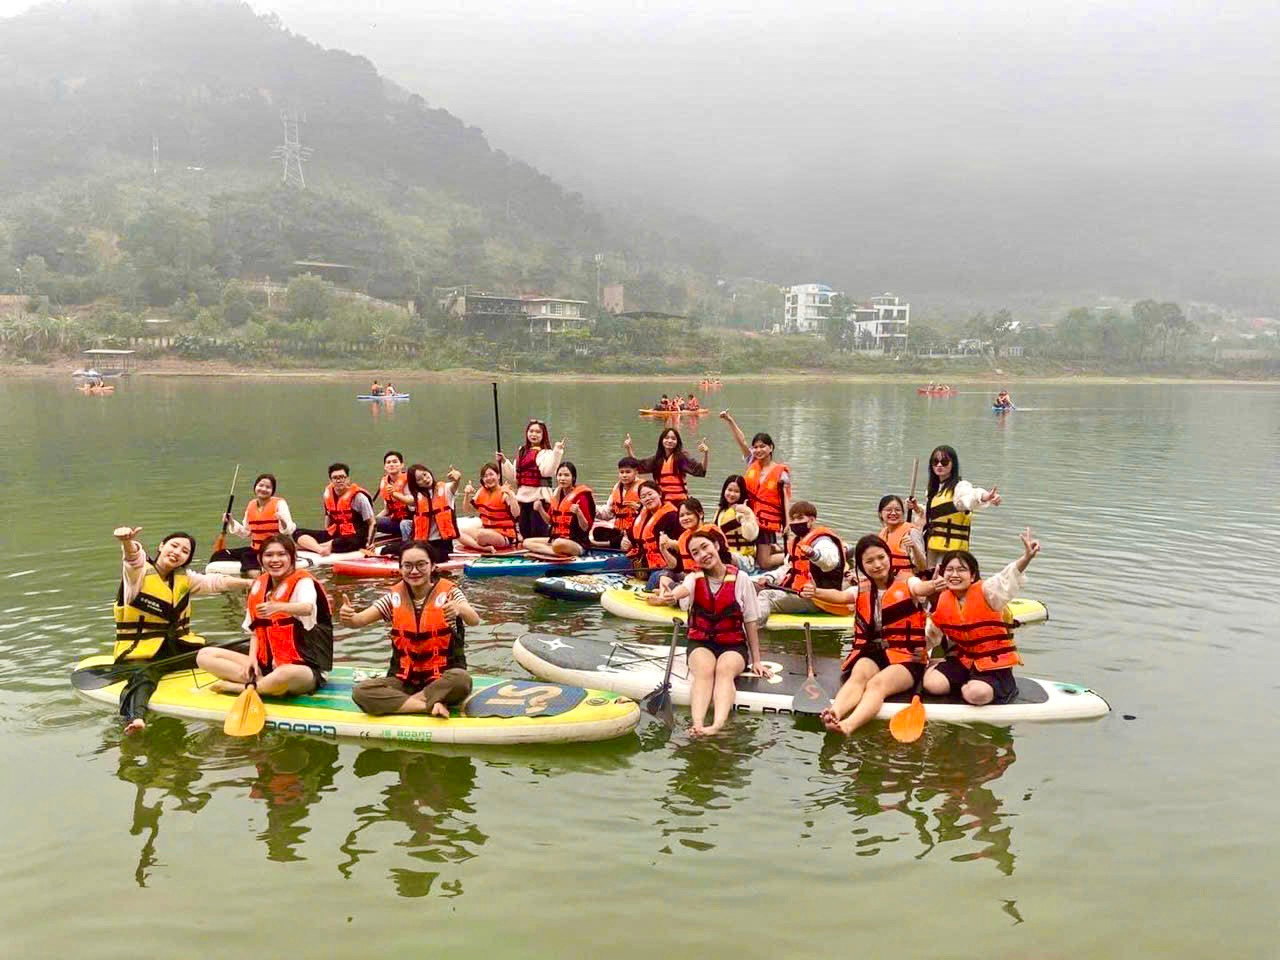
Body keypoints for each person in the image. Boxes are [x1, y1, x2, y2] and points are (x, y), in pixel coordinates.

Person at [111, 526, 252, 734]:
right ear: (161, 546)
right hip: (141, 654)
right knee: (143, 677)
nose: (177, 552)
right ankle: (136, 718)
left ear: (187, 559)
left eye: (185, 551)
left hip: (178, 648)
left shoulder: (184, 578)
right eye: (174, 546)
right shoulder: (137, 575)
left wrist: (252, 583)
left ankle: (270, 674)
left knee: (237, 648)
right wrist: (127, 542)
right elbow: (133, 558)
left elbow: (216, 582)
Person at [647, 528, 771, 736]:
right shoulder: (693, 578)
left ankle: (717, 725)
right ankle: (697, 724)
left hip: (733, 645)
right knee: (704, 671)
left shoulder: (741, 579)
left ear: (716, 546)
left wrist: (757, 660)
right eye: (695, 552)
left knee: (724, 670)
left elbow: (750, 622)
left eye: (705, 547)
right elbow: (682, 590)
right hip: (701, 642)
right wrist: (671, 596)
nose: (702, 554)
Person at [342, 542, 481, 718]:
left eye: (421, 564)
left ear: (433, 566)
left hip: (443, 679)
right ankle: (428, 705)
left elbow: (474, 620)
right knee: (361, 692)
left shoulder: (450, 594)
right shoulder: (392, 598)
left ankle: (407, 703)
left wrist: (459, 609)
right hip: (404, 681)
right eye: (407, 566)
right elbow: (358, 621)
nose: (414, 571)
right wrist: (348, 616)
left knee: (461, 679)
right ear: (400, 569)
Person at [819, 535, 940, 736]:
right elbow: (840, 597)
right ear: (862, 566)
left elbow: (922, 588)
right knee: (858, 676)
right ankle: (835, 713)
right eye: (869, 561)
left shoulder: (909, 582)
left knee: (876, 684)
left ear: (889, 557)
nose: (877, 565)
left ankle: (848, 726)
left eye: (881, 558)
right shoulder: (862, 589)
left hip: (908, 657)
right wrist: (814, 592)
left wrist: (934, 585)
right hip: (875, 653)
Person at [197, 534, 334, 698]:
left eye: (281, 554)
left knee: (284, 674)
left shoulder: (303, 582)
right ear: (260, 559)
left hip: (303, 668)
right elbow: (255, 631)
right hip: (265, 666)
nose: (275, 559)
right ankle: (264, 684)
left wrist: (279, 607)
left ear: (292, 557)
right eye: (269, 555)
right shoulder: (259, 586)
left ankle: (240, 688)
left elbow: (307, 608)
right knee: (204, 655)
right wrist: (251, 660)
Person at [922, 529, 1040, 706]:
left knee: (976, 695)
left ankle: (983, 686)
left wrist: (1026, 558)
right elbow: (930, 635)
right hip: (963, 661)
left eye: (961, 570)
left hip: (993, 664)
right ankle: (944, 669)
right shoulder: (944, 601)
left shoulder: (987, 591)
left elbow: (1006, 578)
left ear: (972, 576)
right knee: (932, 685)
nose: (954, 575)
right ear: (943, 574)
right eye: (949, 570)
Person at [905, 445, 1001, 568]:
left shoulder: (960, 487)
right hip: (932, 546)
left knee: (943, 575)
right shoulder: (932, 490)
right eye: (935, 462)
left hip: (952, 551)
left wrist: (986, 496)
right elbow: (932, 515)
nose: (939, 465)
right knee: (929, 574)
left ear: (953, 464)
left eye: (944, 462)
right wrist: (916, 508)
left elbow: (972, 496)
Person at [719, 410, 790, 570]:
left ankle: (790, 554)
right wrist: (730, 421)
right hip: (749, 516)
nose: (758, 450)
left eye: (762, 446)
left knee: (763, 562)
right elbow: (742, 441)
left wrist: (788, 523)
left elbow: (785, 498)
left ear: (771, 448)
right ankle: (774, 548)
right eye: (756, 447)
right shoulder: (752, 462)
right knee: (750, 552)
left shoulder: (781, 472)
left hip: (766, 520)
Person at [755, 501, 845, 627]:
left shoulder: (823, 541)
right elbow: (787, 568)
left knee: (766, 596)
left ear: (811, 520)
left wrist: (814, 555)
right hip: (798, 592)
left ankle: (753, 631)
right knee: (754, 587)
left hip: (819, 599)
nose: (795, 522)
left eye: (800, 518)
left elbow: (830, 563)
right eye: (793, 519)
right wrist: (769, 578)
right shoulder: (797, 542)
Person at [210, 473, 296, 572]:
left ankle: (255, 578)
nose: (263, 489)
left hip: (273, 550)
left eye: (268, 487)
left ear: (272, 491)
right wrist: (231, 521)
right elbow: (246, 532)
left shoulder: (280, 504)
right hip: (255, 549)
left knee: (246, 556)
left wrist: (282, 520)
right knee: (218, 555)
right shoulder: (251, 505)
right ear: (255, 487)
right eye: (261, 485)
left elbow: (288, 531)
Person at [497, 420, 564, 540]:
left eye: (538, 432)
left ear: (543, 435)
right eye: (531, 431)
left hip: (539, 498)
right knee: (524, 530)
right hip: (523, 498)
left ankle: (545, 547)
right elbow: (514, 476)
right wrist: (504, 461)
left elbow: (548, 471)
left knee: (538, 532)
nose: (534, 434)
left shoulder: (546, 453)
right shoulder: (522, 451)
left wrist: (557, 452)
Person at [294, 463, 376, 557]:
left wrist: (370, 543)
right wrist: (326, 534)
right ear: (330, 480)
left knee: (344, 541)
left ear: (348, 479)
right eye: (335, 478)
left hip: (354, 536)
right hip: (336, 533)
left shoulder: (359, 497)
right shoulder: (328, 495)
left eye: (342, 477)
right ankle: (320, 549)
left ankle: (310, 546)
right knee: (297, 532)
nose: (339, 480)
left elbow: (372, 523)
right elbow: (328, 516)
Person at [526, 463, 595, 558]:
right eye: (560, 475)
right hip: (557, 540)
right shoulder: (557, 496)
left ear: (573, 478)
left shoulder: (581, 497)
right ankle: (555, 553)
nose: (562, 478)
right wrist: (540, 509)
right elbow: (550, 521)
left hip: (576, 543)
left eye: (566, 475)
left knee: (558, 543)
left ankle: (547, 551)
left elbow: (585, 527)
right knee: (527, 542)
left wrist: (579, 513)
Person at [623, 427, 709, 504]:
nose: (670, 441)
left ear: (677, 442)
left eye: (673, 439)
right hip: (662, 502)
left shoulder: (681, 459)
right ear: (662, 441)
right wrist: (629, 448)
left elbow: (700, 470)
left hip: (680, 502)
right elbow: (638, 466)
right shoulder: (656, 460)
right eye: (666, 438)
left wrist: (705, 453)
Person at [621, 480, 681, 585]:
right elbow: (631, 536)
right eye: (643, 497)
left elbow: (680, 546)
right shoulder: (643, 514)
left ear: (659, 494)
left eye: (650, 494)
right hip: (642, 559)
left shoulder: (672, 517)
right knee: (610, 563)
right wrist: (625, 540)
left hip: (663, 564)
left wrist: (669, 544)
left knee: (652, 583)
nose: (647, 498)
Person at [401, 464, 462, 564]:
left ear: (429, 471)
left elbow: (454, 485)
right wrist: (393, 493)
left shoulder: (446, 489)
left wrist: (457, 478)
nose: (425, 479)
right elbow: (406, 500)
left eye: (425, 474)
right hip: (424, 543)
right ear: (416, 484)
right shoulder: (417, 497)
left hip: (443, 543)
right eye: (419, 479)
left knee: (430, 558)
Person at [656, 497, 714, 591]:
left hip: (707, 580)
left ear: (700, 514)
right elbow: (675, 567)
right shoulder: (683, 538)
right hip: (689, 580)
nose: (685, 518)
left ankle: (668, 594)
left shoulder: (711, 532)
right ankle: (666, 593)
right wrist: (663, 549)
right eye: (682, 515)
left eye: (689, 514)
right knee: (665, 574)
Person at [459, 463, 520, 552]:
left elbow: (516, 514)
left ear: (498, 476)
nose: (489, 478)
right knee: (457, 532)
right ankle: (482, 548)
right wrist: (467, 494)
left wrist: (511, 495)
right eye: (485, 476)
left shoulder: (505, 493)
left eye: (491, 474)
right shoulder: (481, 491)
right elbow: (467, 509)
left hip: (504, 535)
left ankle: (475, 543)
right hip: (487, 530)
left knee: (481, 534)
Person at [593, 456, 643, 549]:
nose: (624, 475)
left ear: (636, 472)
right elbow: (607, 514)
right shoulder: (617, 487)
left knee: (625, 540)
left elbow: (651, 512)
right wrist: (592, 506)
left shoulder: (643, 487)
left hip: (635, 531)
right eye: (621, 472)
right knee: (598, 532)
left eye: (628, 472)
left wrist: (640, 509)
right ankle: (616, 543)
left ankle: (610, 544)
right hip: (619, 531)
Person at [877, 494, 927, 580]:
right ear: (880, 514)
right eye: (888, 510)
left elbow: (922, 567)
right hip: (887, 580)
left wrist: (914, 547)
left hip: (909, 582)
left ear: (903, 513)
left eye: (897, 510)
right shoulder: (882, 535)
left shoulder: (911, 533)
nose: (893, 513)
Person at [715, 475, 760, 568]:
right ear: (724, 490)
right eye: (729, 490)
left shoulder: (745, 511)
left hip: (745, 559)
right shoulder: (720, 511)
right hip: (726, 554)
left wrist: (744, 515)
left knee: (725, 557)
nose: (732, 494)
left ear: (741, 494)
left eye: (736, 491)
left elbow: (751, 536)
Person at [372, 451, 411, 539]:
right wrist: (372, 521)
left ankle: (409, 544)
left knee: (404, 524)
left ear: (402, 465)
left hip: (412, 522)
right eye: (388, 462)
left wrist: (396, 495)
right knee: (371, 521)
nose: (391, 464)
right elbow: (387, 510)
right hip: (396, 522)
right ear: (385, 467)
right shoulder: (385, 483)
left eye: (395, 462)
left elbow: (414, 504)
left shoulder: (409, 480)